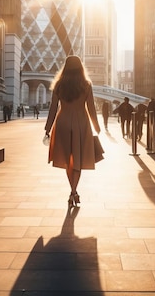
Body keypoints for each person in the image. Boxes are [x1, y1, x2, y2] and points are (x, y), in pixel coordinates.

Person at [44, 55, 102, 207]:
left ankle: (73, 191)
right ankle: (74, 191)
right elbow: (91, 108)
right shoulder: (86, 85)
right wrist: (96, 126)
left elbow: (53, 108)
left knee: (67, 159)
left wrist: (47, 129)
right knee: (77, 159)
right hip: (81, 123)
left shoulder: (59, 85)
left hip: (62, 122)